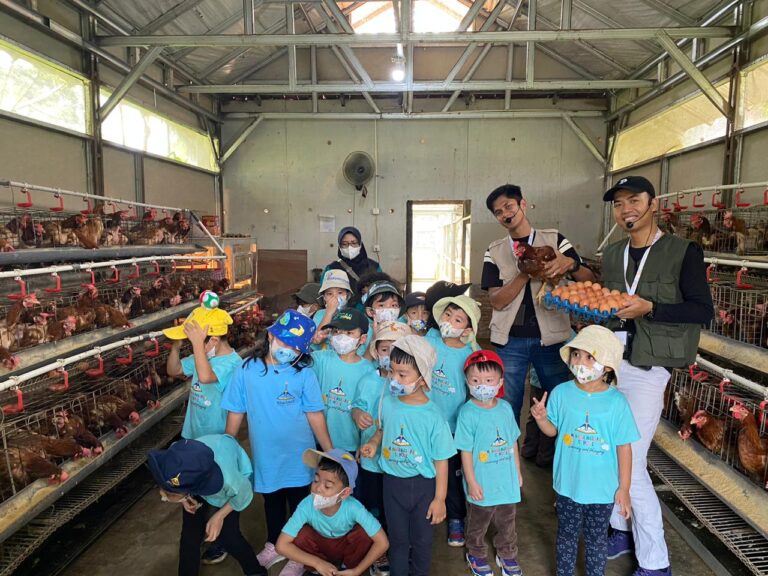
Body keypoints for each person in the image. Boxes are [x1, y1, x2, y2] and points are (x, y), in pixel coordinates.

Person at [601, 176, 713, 576]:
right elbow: (605, 302)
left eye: (634, 200)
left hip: (648, 368)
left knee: (632, 458)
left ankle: (655, 562)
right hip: (610, 363)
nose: (625, 208)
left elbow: (702, 311)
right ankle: (619, 528)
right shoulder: (613, 253)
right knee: (606, 450)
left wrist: (651, 308)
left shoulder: (683, 252)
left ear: (653, 204)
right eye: (618, 204)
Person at [481, 184, 595, 441]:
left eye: (509, 206)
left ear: (523, 204)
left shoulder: (555, 239)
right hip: (510, 341)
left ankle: (565, 460)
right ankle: (507, 463)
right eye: (498, 212)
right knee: (506, 407)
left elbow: (589, 278)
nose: (505, 214)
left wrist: (571, 264)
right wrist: (524, 273)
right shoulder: (495, 250)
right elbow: (496, 301)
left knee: (559, 403)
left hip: (553, 340)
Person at [222, 309, 333, 571]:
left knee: (299, 502)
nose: (286, 349)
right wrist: (227, 443)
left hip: (299, 453)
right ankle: (274, 544)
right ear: (270, 336)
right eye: (283, 342)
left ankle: (298, 553)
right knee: (271, 499)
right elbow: (236, 408)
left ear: (303, 351)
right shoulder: (247, 369)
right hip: (266, 453)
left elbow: (314, 413)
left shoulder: (304, 373)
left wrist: (329, 451)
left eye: (294, 347)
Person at [530, 325, 639, 576]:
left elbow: (624, 447)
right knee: (566, 536)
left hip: (602, 490)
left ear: (608, 367)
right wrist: (541, 418)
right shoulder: (561, 393)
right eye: (576, 354)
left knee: (596, 539)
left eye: (590, 357)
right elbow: (553, 431)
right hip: (567, 484)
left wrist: (623, 487)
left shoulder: (617, 403)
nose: (580, 361)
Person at [360, 335, 455, 576]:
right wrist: (373, 442)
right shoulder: (389, 403)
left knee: (422, 541)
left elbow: (442, 460)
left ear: (422, 379)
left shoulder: (434, 416)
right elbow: (383, 429)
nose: (395, 379)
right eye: (392, 372)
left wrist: (440, 499)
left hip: (423, 487)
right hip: (391, 484)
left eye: (403, 374)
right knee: (398, 540)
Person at [164, 292, 242, 565]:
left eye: (199, 341)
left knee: (221, 496)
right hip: (193, 439)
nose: (192, 346)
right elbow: (173, 371)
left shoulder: (233, 364)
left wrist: (197, 346)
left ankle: (221, 542)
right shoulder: (201, 353)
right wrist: (176, 346)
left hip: (218, 444)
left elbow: (207, 377)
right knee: (194, 504)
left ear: (214, 340)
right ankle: (197, 543)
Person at [147, 434, 266, 576]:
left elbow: (244, 494)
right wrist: (185, 500)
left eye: (168, 495)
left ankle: (255, 571)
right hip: (196, 477)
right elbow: (179, 485)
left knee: (228, 536)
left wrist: (219, 516)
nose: (162, 497)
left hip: (233, 487)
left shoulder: (230, 480)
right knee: (190, 536)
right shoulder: (175, 460)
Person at [351, 321, 413, 576]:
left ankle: (399, 547)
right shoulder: (367, 381)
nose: (390, 355)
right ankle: (377, 551)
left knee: (396, 510)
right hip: (371, 460)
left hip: (399, 461)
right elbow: (356, 406)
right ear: (376, 352)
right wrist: (357, 415)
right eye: (385, 349)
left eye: (397, 349)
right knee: (372, 506)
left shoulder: (411, 385)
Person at [455, 350, 523, 576]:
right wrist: (471, 481)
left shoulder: (505, 408)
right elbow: (465, 450)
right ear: (467, 382)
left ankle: (507, 554)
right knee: (478, 522)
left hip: (506, 480)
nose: (481, 385)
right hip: (482, 481)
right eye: (475, 380)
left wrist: (518, 472)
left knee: (508, 521)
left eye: (488, 380)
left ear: (500, 382)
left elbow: (513, 442)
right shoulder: (467, 413)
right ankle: (475, 552)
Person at [276, 448, 390, 576]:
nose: (318, 488)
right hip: (320, 548)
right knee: (301, 535)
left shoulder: (354, 507)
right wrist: (317, 563)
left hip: (346, 547)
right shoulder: (306, 505)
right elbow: (281, 545)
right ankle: (318, 570)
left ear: (345, 493)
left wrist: (356, 571)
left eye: (328, 486)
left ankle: (346, 568)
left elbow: (383, 542)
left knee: (364, 533)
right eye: (316, 480)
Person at [426, 294, 482, 547]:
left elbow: (482, 377)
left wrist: (473, 344)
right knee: (425, 471)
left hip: (454, 426)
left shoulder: (471, 355)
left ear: (468, 329)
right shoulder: (430, 341)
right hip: (426, 422)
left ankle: (456, 518)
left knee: (452, 475)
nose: (449, 321)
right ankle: (426, 511)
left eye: (457, 319)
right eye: (447, 315)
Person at [312, 309, 375, 453]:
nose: (341, 337)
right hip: (319, 441)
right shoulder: (320, 359)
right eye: (336, 332)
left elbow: (367, 410)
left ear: (363, 339)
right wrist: (316, 336)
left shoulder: (368, 370)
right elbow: (300, 359)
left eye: (349, 333)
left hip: (351, 445)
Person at [322, 226, 383, 296]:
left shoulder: (374, 266)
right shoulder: (331, 269)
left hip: (368, 306)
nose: (349, 247)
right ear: (339, 246)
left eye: (354, 243)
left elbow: (382, 290)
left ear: (360, 244)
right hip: (340, 306)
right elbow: (324, 292)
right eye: (344, 244)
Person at [312, 270, 354, 351]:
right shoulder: (319, 314)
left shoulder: (353, 316)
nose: (335, 298)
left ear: (348, 295)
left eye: (340, 292)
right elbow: (317, 340)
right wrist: (329, 313)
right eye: (329, 294)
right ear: (324, 297)